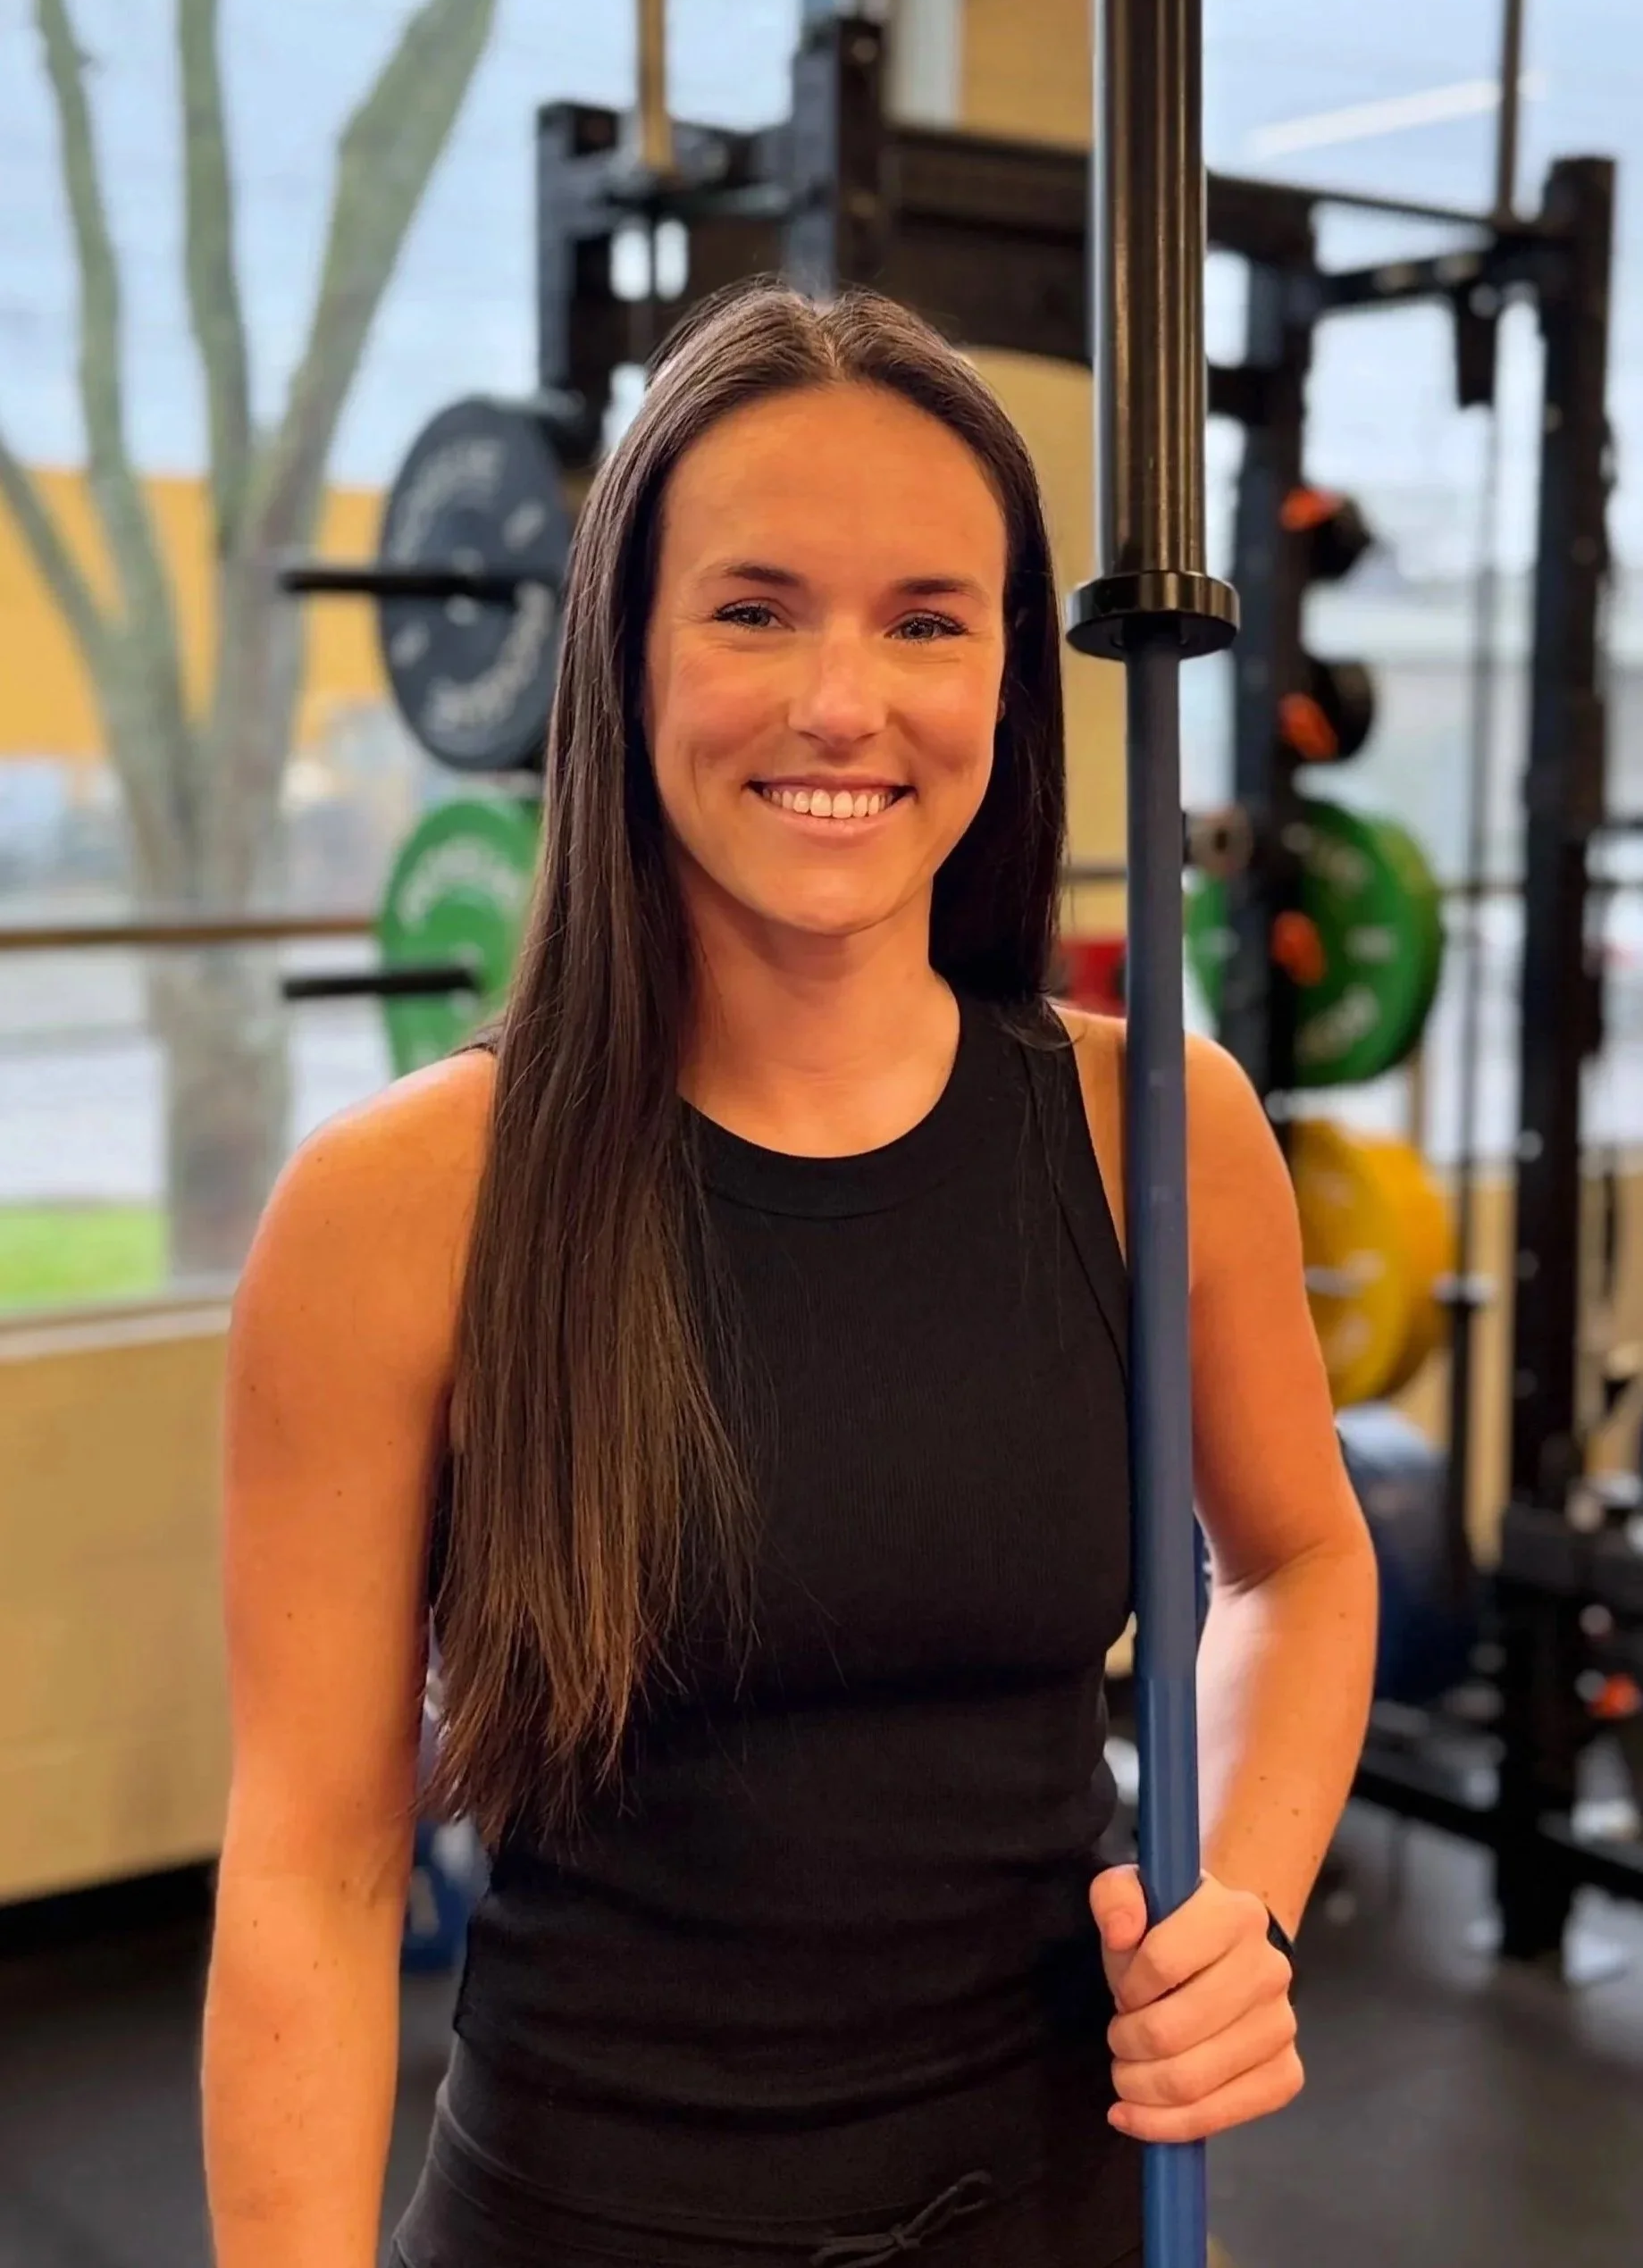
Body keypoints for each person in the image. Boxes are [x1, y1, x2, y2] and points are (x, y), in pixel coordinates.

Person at [202, 283, 1379, 2268]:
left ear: (1010, 683)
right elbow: (315, 1867)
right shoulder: (407, 1205)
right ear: (625, 655)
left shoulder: (1156, 1133)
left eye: (928, 619)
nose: (846, 702)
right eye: (755, 609)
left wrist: (1236, 1906)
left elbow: (1298, 1560)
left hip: (1063, 2209)